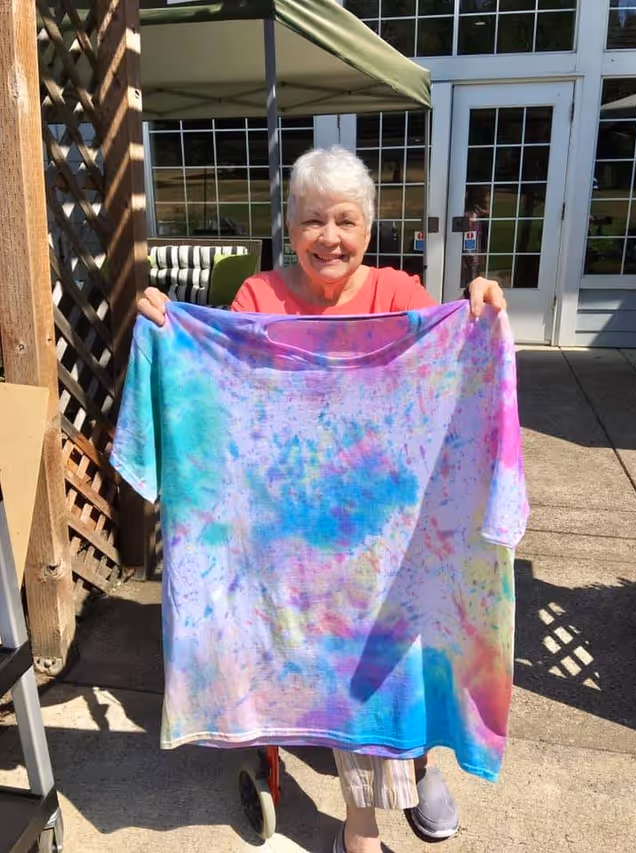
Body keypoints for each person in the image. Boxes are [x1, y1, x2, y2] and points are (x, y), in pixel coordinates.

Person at [138, 146, 507, 853]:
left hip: (386, 527)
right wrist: (170, 332)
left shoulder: (400, 294)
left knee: (408, 605)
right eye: (312, 221)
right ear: (290, 226)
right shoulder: (257, 299)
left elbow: (446, 379)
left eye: (345, 219)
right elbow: (221, 397)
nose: (329, 237)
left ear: (368, 227)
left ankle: (412, 761)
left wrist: (480, 310)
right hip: (288, 534)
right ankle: (363, 831)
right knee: (341, 624)